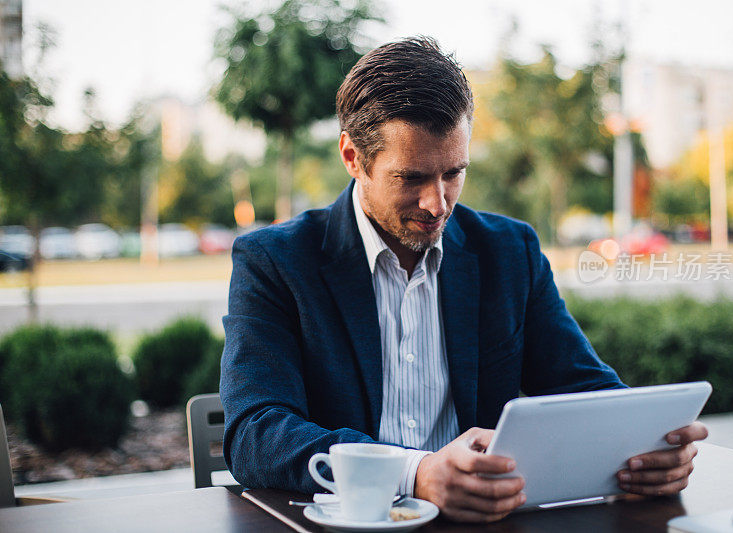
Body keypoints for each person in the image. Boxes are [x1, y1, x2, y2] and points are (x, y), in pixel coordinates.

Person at [220, 37, 708, 523]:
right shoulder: (274, 261)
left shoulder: (509, 251)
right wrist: (414, 473)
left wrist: (646, 446)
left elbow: (579, 382)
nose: (437, 204)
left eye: (454, 173)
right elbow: (254, 434)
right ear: (353, 157)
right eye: (410, 178)